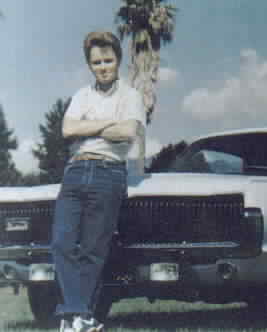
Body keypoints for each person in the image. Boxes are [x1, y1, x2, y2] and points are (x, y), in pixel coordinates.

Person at [51, 31, 145, 332]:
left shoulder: (131, 95)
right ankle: (82, 316)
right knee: (62, 243)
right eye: (96, 62)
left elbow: (128, 132)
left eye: (108, 60)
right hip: (75, 171)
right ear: (89, 65)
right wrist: (107, 123)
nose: (102, 67)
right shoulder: (82, 95)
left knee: (93, 248)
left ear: (118, 60)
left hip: (109, 172)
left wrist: (87, 128)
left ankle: (74, 318)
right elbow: (67, 129)